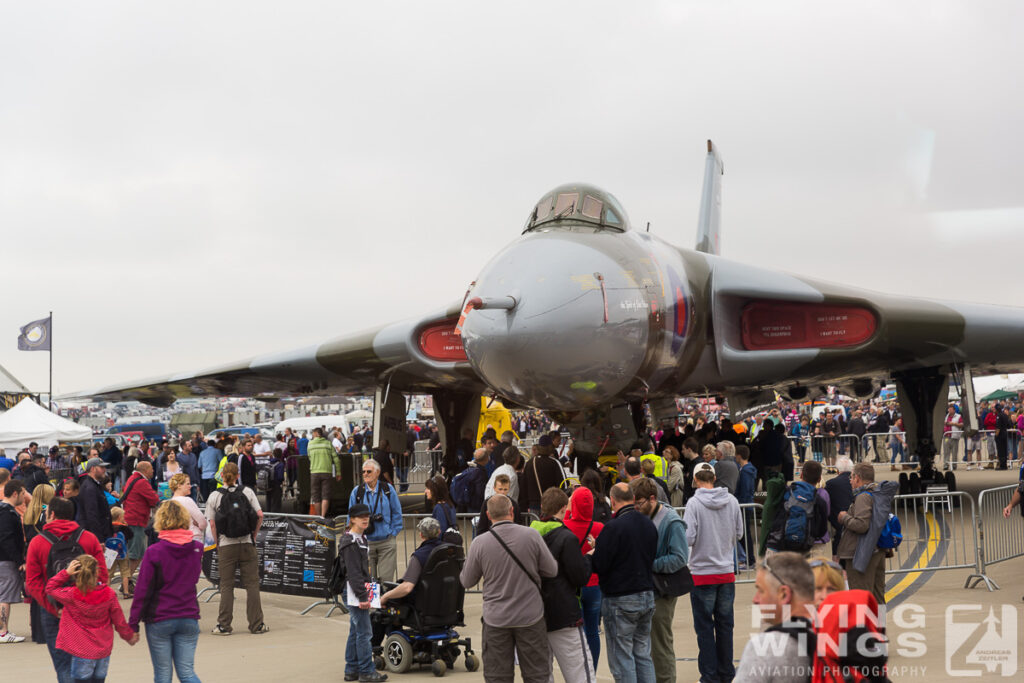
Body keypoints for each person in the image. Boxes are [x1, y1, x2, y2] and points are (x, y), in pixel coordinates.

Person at [460, 493, 557, 683]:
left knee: (498, 677)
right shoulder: (532, 535)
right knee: (537, 675)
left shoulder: (480, 543)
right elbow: (551, 570)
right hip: (530, 616)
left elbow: (466, 581)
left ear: (488, 515)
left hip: (496, 619)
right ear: (512, 511)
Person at [25, 497, 110, 683]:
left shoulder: (37, 543)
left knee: (64, 669)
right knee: (89, 667)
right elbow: (102, 575)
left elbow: (32, 582)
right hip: (87, 611)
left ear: (52, 514)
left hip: (55, 609)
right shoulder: (88, 538)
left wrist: (53, 607)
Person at [129, 501, 204, 683]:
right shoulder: (196, 549)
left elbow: (143, 590)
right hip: (188, 614)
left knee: (163, 674)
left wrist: (133, 623)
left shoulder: (154, 551)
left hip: (160, 617)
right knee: (187, 672)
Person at [591, 482, 658, 683]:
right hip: (646, 594)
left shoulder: (613, 527)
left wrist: (593, 553)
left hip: (621, 598)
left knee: (623, 658)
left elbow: (600, 564)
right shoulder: (648, 524)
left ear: (612, 501)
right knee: (642, 654)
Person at [684, 462, 744, 683]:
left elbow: (689, 537)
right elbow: (739, 533)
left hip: (701, 572)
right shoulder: (733, 501)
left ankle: (709, 675)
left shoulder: (694, 504)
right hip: (725, 571)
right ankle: (727, 672)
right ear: (714, 477)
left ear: (696, 479)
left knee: (704, 628)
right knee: (725, 626)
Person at [529, 488, 597, 682]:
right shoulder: (566, 538)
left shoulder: (528, 534)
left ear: (542, 507)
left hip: (534, 612)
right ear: (563, 508)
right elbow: (580, 576)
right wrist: (588, 559)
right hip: (564, 613)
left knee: (541, 673)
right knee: (579, 672)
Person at [46, 554, 138, 681]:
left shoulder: (72, 595)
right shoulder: (109, 594)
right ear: (97, 572)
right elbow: (119, 621)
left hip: (82, 650)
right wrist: (129, 636)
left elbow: (50, 588)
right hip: (103, 650)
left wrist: (66, 573)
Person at [632, 477, 688, 683]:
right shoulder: (645, 515)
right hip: (644, 589)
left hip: (661, 593)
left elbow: (680, 558)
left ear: (652, 499)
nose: (636, 508)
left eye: (638, 504)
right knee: (644, 647)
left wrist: (649, 564)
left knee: (660, 647)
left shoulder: (671, 522)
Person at [205, 462, 268, 635]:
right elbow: (259, 515)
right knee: (252, 585)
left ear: (222, 476)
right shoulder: (247, 492)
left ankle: (224, 625)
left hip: (226, 545)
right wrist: (253, 536)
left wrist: (218, 543)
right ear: (237, 475)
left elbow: (212, 524)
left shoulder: (214, 496)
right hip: (247, 543)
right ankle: (257, 625)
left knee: (226, 586)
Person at [735, 552, 816, 682]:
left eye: (761, 590)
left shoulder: (764, 648)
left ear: (784, 594)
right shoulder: (836, 636)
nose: (755, 599)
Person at [339, 503, 388, 682]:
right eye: (361, 517)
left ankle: (351, 669)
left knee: (356, 630)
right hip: (355, 591)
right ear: (352, 519)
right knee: (365, 632)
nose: (365, 519)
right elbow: (353, 573)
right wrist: (363, 596)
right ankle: (366, 671)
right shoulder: (351, 542)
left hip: (357, 590)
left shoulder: (360, 538)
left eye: (367, 516)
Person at [562, 484, 605, 667]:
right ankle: (592, 670)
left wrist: (568, 509)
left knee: (575, 635)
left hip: (574, 586)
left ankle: (580, 672)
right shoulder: (599, 527)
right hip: (594, 585)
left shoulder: (565, 526)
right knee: (593, 631)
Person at [836, 463, 885, 605]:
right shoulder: (878, 493)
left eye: (851, 477)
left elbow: (862, 525)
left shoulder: (863, 497)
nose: (850, 481)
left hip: (861, 554)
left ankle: (863, 627)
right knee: (878, 597)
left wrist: (844, 517)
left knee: (860, 598)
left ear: (857, 478)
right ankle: (879, 626)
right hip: (877, 550)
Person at [348, 459, 403, 583]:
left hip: (387, 543)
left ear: (377, 472)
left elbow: (397, 513)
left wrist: (392, 533)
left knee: (386, 582)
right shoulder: (357, 492)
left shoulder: (387, 489)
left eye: (369, 471)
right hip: (365, 544)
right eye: (363, 472)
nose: (365, 474)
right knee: (368, 583)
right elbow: (350, 518)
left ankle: (384, 602)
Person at [121, 461, 160, 597]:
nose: (153, 471)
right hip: (137, 521)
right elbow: (154, 499)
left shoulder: (132, 479)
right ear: (144, 470)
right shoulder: (142, 482)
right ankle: (127, 582)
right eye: (151, 469)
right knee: (136, 554)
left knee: (134, 553)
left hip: (130, 518)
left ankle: (127, 582)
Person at [23, 483, 56, 644]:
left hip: (31, 553)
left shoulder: (29, 513)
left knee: (35, 593)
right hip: (46, 555)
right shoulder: (47, 513)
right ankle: (45, 631)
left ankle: (37, 631)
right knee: (48, 591)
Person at [0, 479, 30, 643]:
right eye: (23, 493)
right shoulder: (6, 512)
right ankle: (3, 632)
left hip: (4, 558)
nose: (25, 497)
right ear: (15, 493)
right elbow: (6, 538)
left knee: (3, 594)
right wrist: (19, 560)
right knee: (5, 596)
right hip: (6, 560)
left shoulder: (4, 511)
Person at [522, 435, 565, 516]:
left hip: (533, 506)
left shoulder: (530, 463)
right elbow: (564, 484)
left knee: (535, 528)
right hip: (552, 505)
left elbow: (524, 486)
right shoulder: (555, 463)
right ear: (551, 447)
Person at [308, 427, 343, 518]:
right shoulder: (328, 444)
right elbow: (336, 458)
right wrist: (338, 472)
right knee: (325, 496)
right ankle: (323, 516)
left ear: (316, 434)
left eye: (313, 434)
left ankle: (318, 516)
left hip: (314, 472)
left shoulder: (310, 444)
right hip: (327, 472)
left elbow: (309, 457)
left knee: (316, 496)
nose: (312, 435)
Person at [76, 458, 113, 543]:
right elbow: (92, 515)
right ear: (92, 469)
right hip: (94, 536)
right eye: (101, 468)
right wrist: (99, 540)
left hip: (98, 534)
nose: (104, 470)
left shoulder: (94, 485)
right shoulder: (90, 488)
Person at [825, 457, 855, 558]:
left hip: (839, 526)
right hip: (856, 526)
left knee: (837, 556)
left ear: (837, 470)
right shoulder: (858, 483)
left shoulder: (830, 484)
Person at [169, 473, 208, 545]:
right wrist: (198, 525)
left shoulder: (170, 502)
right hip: (192, 538)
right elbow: (203, 522)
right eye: (188, 484)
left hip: (176, 540)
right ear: (179, 486)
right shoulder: (187, 500)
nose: (190, 486)